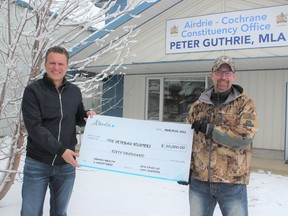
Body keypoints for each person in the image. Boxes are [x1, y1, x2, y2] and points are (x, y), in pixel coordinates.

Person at [21, 46, 95, 216]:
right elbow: (34, 128)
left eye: (61, 63)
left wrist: (87, 116)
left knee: (60, 212)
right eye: (52, 63)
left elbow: (76, 116)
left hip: (66, 166)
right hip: (38, 163)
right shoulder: (33, 92)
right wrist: (61, 150)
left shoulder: (74, 91)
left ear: (67, 66)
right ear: (45, 65)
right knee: (30, 212)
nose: (56, 67)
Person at [185, 55, 259, 216]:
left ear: (234, 75)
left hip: (232, 183)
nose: (223, 77)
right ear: (211, 74)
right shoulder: (198, 106)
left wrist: (211, 130)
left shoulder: (245, 104)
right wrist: (183, 169)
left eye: (227, 73)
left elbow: (245, 137)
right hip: (200, 182)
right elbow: (186, 140)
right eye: (219, 72)